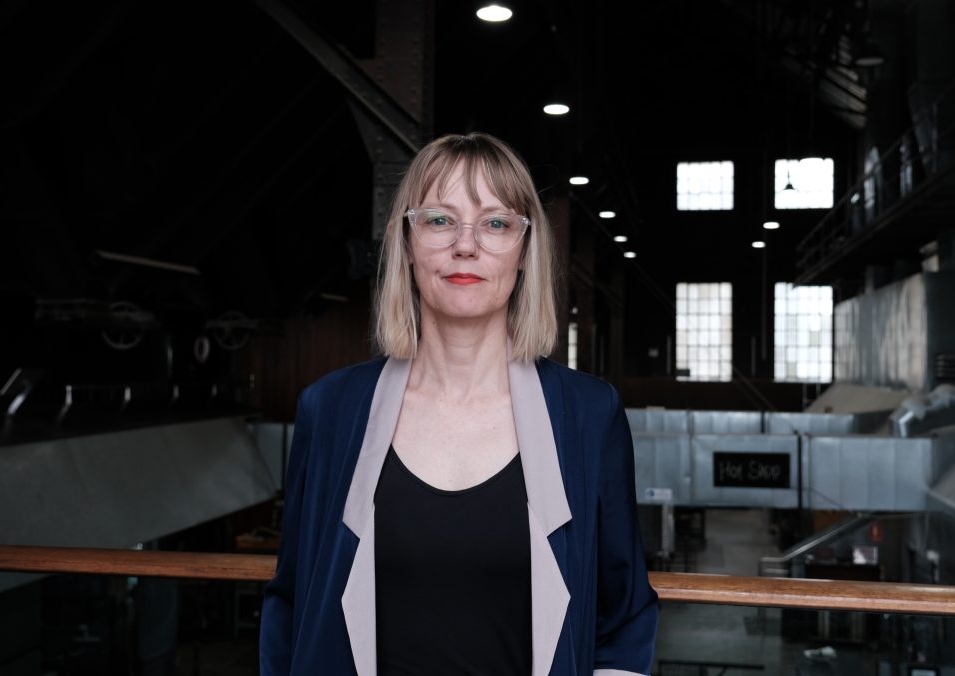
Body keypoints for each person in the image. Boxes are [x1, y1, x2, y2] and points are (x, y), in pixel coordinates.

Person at [259, 132, 658, 675]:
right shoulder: (331, 410)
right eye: (440, 220)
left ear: (524, 251)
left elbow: (625, 617)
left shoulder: (588, 416)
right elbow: (290, 606)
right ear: (406, 242)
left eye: (496, 223)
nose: (465, 246)